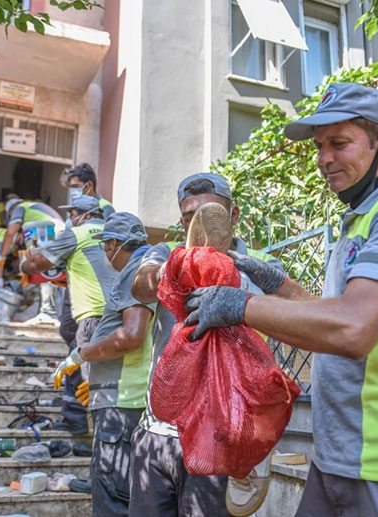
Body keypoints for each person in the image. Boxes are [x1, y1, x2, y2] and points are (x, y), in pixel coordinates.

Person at [183, 83, 378, 517]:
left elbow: (353, 329)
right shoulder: (362, 219)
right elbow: (334, 315)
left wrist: (238, 305)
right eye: (320, 147)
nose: (324, 160)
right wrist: (279, 285)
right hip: (340, 458)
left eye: (339, 144)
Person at [129, 172, 298, 517]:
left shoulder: (261, 268)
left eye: (211, 213)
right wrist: (173, 268)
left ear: (233, 216)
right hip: (157, 435)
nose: (200, 224)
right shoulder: (168, 256)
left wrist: (241, 301)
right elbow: (139, 285)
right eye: (190, 217)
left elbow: (296, 315)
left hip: (220, 440)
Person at [57, 212, 153, 516]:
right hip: (124, 397)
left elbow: (130, 336)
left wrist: (80, 354)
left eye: (104, 247)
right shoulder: (145, 267)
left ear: (113, 243)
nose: (105, 254)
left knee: (112, 500)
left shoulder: (134, 271)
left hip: (122, 403)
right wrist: (97, 381)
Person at [22, 195, 119, 435]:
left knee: (92, 377)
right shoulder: (112, 233)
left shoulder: (76, 234)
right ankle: (76, 416)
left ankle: (102, 439)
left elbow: (38, 264)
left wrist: (22, 264)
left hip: (93, 315)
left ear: (84, 215)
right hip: (120, 313)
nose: (70, 219)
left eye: (72, 214)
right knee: (92, 364)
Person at [0, 198, 64, 325]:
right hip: (60, 233)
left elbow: (9, 233)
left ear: (11, 210)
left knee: (42, 274)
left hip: (46, 231)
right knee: (54, 277)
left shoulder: (20, 208)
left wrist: (1, 257)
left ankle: (44, 313)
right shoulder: (36, 209)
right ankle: (53, 314)